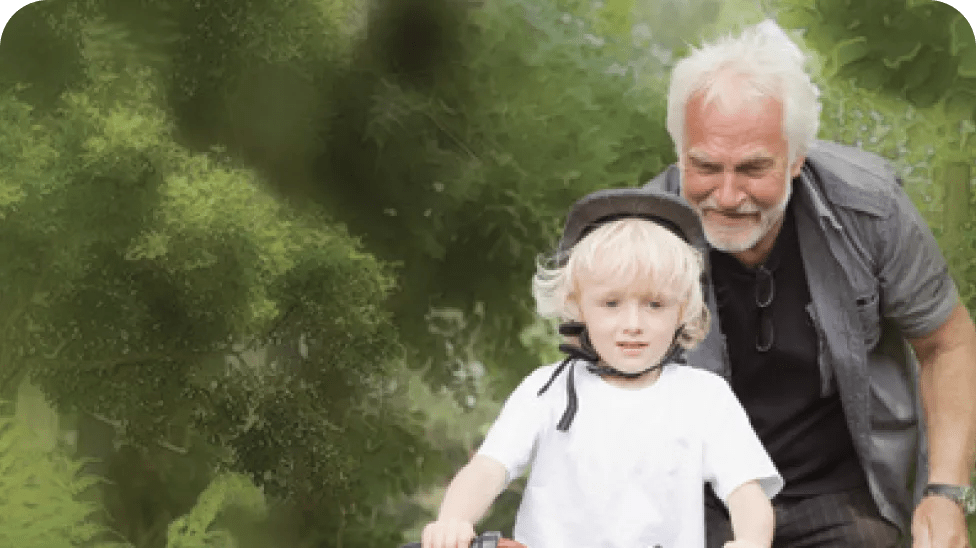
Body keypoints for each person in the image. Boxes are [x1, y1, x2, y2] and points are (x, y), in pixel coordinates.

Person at [642, 19, 976, 548]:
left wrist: (945, 494)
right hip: (699, 503)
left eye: (753, 169)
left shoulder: (872, 210)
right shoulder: (638, 235)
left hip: (837, 497)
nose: (727, 196)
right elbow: (589, 383)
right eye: (705, 166)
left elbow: (947, 343)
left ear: (797, 158)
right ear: (680, 153)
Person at [419, 188, 783, 548]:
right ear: (576, 305)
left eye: (654, 304)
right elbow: (488, 468)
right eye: (611, 303)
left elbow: (745, 489)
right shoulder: (546, 390)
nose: (632, 324)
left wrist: (751, 540)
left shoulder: (704, 397)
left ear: (683, 308)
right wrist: (453, 520)